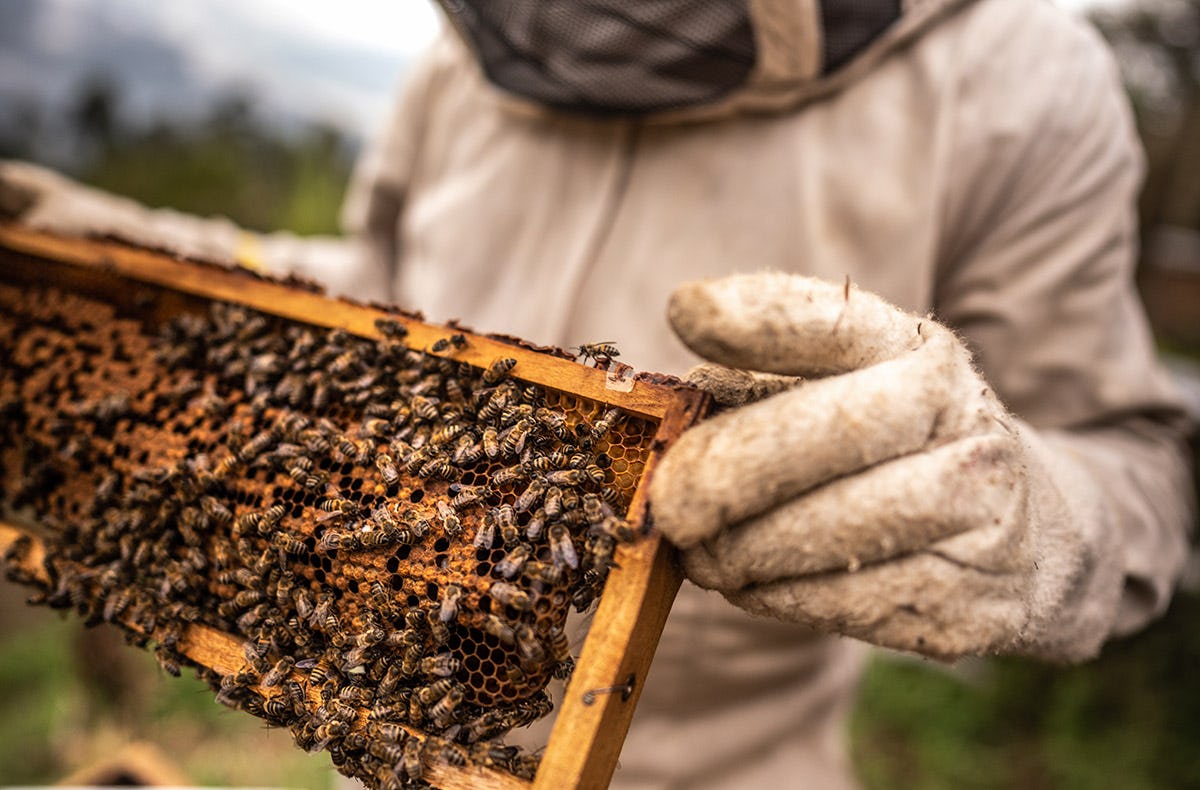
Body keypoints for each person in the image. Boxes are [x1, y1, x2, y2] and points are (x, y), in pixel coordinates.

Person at [0, 1, 1193, 787]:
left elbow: (1141, 467)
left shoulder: (1023, 80)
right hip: (395, 729)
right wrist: (123, 250)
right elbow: (381, 311)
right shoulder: (459, 71)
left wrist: (1035, 523)